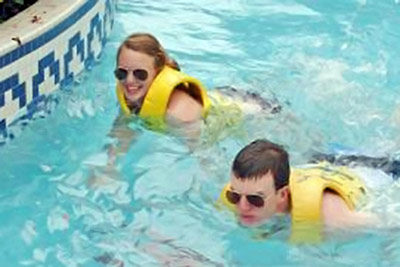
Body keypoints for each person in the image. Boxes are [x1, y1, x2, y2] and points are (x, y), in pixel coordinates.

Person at [219, 139, 384, 243]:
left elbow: (388, 224)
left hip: (371, 170)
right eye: (234, 195)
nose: (242, 206)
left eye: (255, 199)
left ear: (282, 194)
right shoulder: (240, 196)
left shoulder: (332, 217)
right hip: (321, 160)